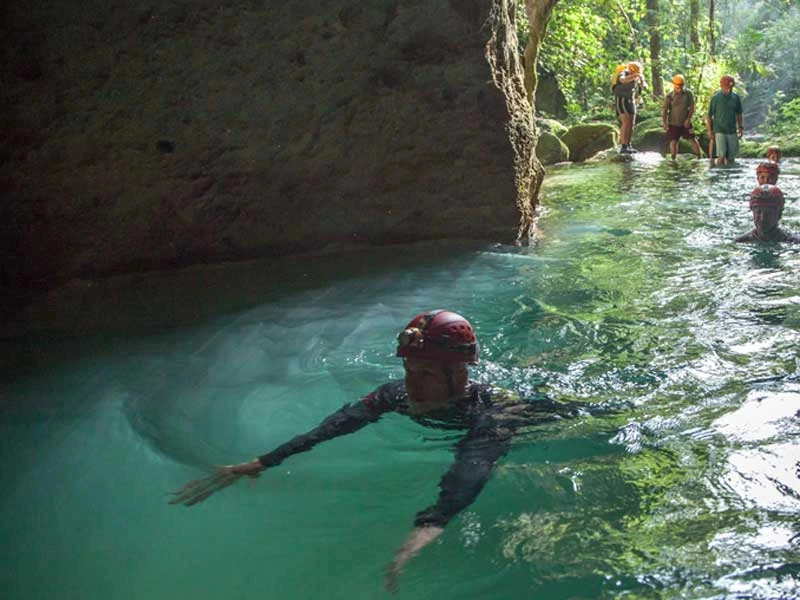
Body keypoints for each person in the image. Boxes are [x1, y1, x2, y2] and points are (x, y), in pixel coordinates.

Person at [169, 310, 602, 590]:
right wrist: (264, 461)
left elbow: (472, 467)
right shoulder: (396, 394)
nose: (413, 384)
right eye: (409, 369)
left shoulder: (493, 414)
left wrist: (430, 525)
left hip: (548, 413)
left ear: (459, 375)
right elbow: (335, 426)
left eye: (427, 372)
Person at [735, 184, 800, 243]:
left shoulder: (793, 242)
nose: (762, 218)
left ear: (779, 215)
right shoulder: (741, 241)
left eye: (768, 213)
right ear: (753, 212)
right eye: (758, 212)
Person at [661, 74, 701, 160]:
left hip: (685, 122)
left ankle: (699, 157)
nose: (680, 87)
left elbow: (692, 107)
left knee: (692, 139)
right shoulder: (669, 96)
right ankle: (673, 159)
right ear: (674, 84)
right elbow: (665, 110)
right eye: (678, 85)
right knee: (674, 141)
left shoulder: (688, 94)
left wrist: (688, 119)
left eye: (681, 85)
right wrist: (664, 122)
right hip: (673, 122)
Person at [706, 75, 744, 166]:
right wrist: (710, 131)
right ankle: (721, 175)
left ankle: (729, 176)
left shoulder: (736, 98)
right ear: (721, 85)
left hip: (732, 131)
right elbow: (709, 116)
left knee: (731, 158)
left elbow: (739, 113)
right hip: (719, 130)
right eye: (727, 86)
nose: (728, 88)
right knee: (721, 156)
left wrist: (740, 127)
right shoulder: (715, 98)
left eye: (730, 87)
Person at [613, 61, 647, 154]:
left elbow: (644, 86)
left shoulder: (637, 76)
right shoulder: (623, 73)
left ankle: (628, 144)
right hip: (621, 99)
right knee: (626, 122)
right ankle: (623, 146)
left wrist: (642, 81)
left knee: (631, 123)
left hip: (630, 100)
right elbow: (623, 80)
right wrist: (635, 75)